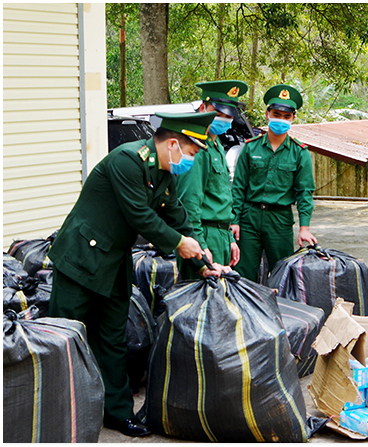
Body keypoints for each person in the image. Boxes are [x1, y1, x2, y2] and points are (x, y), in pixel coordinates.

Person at [48, 112, 231, 437]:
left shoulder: (164, 173)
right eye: (191, 153)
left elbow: (177, 215)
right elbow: (140, 216)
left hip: (114, 262)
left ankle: (117, 414)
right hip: (80, 260)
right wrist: (178, 243)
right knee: (64, 338)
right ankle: (56, 412)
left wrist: (202, 258)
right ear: (173, 144)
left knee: (113, 340)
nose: (190, 161)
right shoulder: (127, 161)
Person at [231, 84, 317, 282]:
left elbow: (305, 192)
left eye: (286, 116)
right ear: (267, 114)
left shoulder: (299, 153)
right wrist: (235, 220)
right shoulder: (251, 148)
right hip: (249, 218)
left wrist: (304, 227)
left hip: (280, 220)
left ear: (293, 118)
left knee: (283, 273)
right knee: (244, 273)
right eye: (277, 114)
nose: (281, 119)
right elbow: (238, 187)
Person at [175, 80, 248, 279]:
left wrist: (229, 238)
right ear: (202, 108)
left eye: (228, 116)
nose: (223, 120)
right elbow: (189, 205)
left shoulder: (216, 147)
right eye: (217, 113)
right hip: (203, 236)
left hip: (220, 236)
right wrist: (201, 246)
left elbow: (221, 196)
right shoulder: (197, 149)